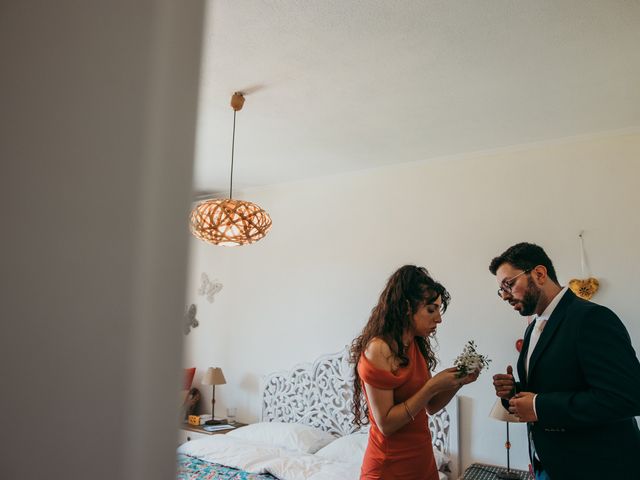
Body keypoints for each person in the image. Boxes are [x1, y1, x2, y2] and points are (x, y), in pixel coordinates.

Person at [489, 242, 640, 480]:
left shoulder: (591, 318)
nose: (505, 296)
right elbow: (556, 384)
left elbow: (627, 397)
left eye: (509, 284)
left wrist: (539, 406)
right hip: (549, 464)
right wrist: (514, 392)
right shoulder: (532, 330)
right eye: (501, 290)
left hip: (596, 467)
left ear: (539, 274)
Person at [350, 265, 479, 480]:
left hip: (421, 459)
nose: (439, 319)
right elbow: (387, 425)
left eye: (439, 309)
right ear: (406, 307)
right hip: (389, 466)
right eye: (431, 309)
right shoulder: (379, 349)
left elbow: (431, 406)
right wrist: (432, 386)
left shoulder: (414, 344)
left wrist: (459, 382)